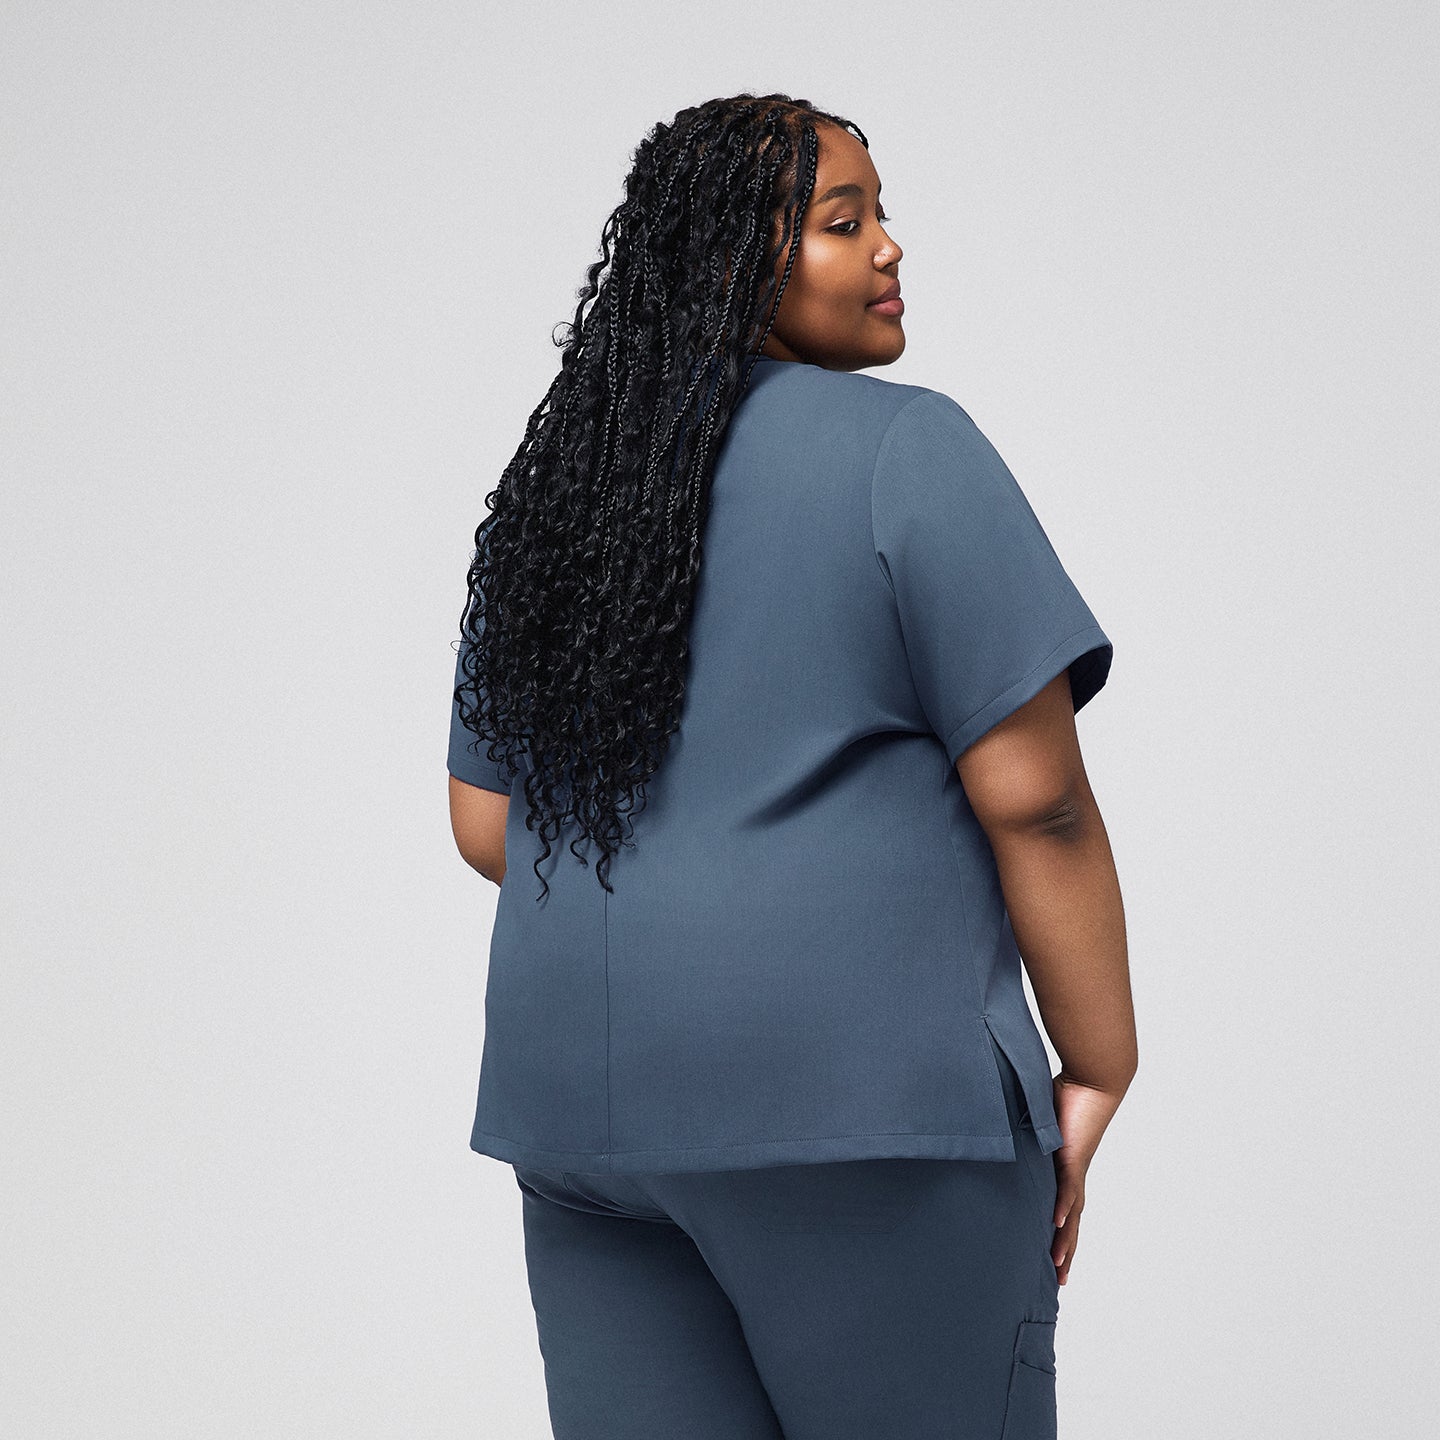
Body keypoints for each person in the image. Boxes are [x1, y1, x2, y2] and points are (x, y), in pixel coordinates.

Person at [447, 92, 1137, 1440]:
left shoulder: (556, 495)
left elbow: (489, 826)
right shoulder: (905, 451)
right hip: (861, 1119)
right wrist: (1098, 1061)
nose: (888, 249)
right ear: (730, 261)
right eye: (842, 221)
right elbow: (1036, 797)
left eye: (879, 215)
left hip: (584, 1124)